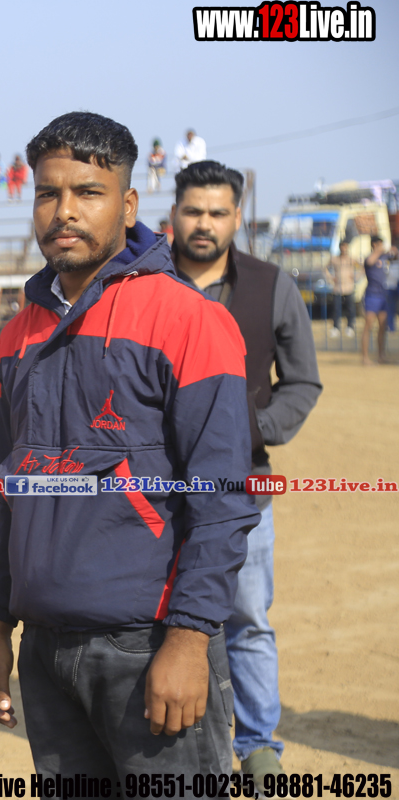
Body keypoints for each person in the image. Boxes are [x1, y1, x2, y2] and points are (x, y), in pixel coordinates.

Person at [0, 112, 259, 778]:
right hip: (45, 652)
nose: (64, 211)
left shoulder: (190, 320)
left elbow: (221, 501)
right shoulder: (19, 334)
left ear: (128, 206)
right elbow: (16, 493)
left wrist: (188, 640)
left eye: (88, 193)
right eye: (48, 193)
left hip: (150, 645)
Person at [171, 160, 323, 779]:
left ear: (237, 217)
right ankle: (175, 749)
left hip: (244, 495)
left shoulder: (271, 285)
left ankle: (258, 749)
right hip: (155, 496)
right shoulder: (144, 283)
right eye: (193, 211)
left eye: (217, 212)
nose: (204, 223)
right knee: (153, 625)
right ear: (173, 214)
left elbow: (302, 382)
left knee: (248, 622)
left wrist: (248, 430)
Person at [362, 235, 393, 364]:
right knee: (368, 325)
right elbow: (370, 261)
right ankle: (365, 358)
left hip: (382, 295)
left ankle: (381, 356)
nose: (382, 246)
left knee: (382, 326)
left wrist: (392, 250)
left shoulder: (384, 257)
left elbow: (394, 254)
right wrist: (379, 251)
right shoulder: (370, 258)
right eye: (379, 244)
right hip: (372, 295)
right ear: (374, 244)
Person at [323, 239, 358, 338]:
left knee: (350, 308)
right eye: (342, 246)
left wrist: (356, 277)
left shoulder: (351, 259)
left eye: (345, 246)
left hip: (349, 287)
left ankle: (350, 327)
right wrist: (331, 278)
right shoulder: (335, 259)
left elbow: (363, 267)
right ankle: (336, 328)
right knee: (336, 309)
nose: (344, 248)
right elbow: (325, 268)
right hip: (338, 287)